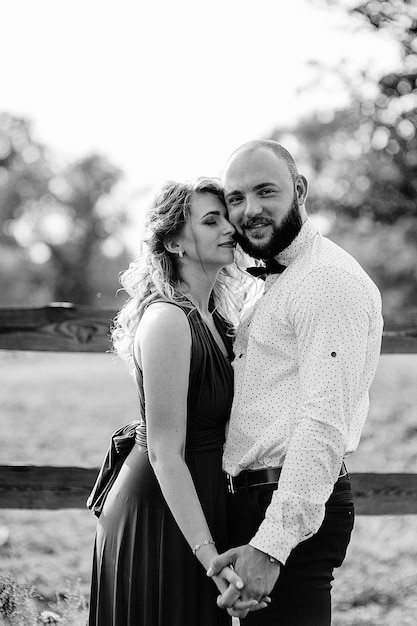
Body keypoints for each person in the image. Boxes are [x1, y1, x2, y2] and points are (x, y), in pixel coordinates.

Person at [207, 139, 384, 625]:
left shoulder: (327, 281)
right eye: (236, 198)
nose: (250, 210)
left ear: (299, 190)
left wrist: (272, 546)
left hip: (286, 505)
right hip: (252, 501)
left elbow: (324, 423)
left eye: (266, 192)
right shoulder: (263, 283)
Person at [87, 177, 267, 626]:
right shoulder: (168, 319)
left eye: (226, 216)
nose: (230, 227)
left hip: (198, 505)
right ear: (173, 241)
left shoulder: (218, 316)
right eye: (212, 220)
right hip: (159, 513)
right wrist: (211, 558)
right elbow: (167, 454)